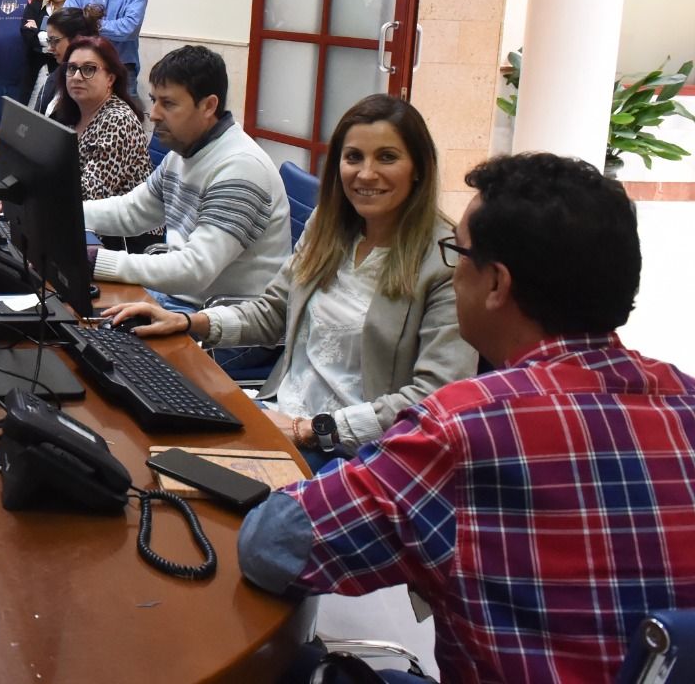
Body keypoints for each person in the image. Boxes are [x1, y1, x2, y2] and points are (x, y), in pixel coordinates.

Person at [237, 153, 695, 682]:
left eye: (458, 255)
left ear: (497, 284)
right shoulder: (682, 398)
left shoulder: (464, 429)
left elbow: (271, 547)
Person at [104, 95, 477, 468]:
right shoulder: (328, 227)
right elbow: (274, 311)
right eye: (353, 157)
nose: (365, 173)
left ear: (418, 168)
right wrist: (190, 322)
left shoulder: (444, 262)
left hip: (353, 456)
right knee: (139, 447)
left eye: (387, 157)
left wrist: (309, 428)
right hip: (279, 417)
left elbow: (433, 398)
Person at [84, 45, 288, 310]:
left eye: (168, 103)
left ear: (208, 106)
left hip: (221, 322)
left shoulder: (240, 169)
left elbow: (193, 271)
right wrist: (62, 215)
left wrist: (94, 261)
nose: (154, 114)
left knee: (91, 332)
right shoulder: (183, 152)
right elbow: (131, 212)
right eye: (154, 100)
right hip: (180, 300)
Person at [50, 35, 151, 202]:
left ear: (110, 79)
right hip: (75, 216)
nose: (76, 76)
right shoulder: (71, 113)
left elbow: (89, 194)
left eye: (89, 69)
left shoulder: (119, 120)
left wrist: (29, 195)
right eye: (72, 68)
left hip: (120, 226)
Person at [20, 0, 74, 102]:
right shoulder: (37, 4)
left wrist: (40, 34)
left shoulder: (76, 6)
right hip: (35, 76)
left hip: (67, 78)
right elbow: (27, 34)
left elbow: (74, 43)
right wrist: (58, 41)